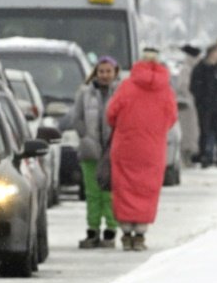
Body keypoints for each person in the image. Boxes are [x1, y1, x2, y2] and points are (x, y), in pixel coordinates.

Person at [106, 48, 177, 251]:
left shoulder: (127, 86)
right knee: (147, 188)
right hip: (153, 148)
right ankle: (140, 234)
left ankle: (126, 232)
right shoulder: (165, 90)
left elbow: (111, 113)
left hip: (126, 145)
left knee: (124, 186)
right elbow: (171, 117)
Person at [60, 56, 120, 249]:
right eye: (101, 71)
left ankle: (110, 230)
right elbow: (75, 117)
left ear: (115, 73)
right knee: (93, 192)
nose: (104, 75)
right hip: (90, 150)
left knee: (110, 193)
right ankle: (92, 229)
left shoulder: (121, 93)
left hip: (113, 150)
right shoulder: (85, 94)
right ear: (96, 73)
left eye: (108, 71)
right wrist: (85, 135)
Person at [190, 44, 217, 167]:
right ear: (212, 53)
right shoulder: (201, 68)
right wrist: (201, 100)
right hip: (205, 107)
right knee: (205, 132)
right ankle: (205, 156)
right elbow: (194, 86)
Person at [175, 44, 201, 165]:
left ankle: (189, 155)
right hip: (187, 105)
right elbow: (183, 85)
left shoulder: (190, 67)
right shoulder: (187, 68)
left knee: (191, 131)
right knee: (188, 132)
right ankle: (186, 156)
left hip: (190, 103)